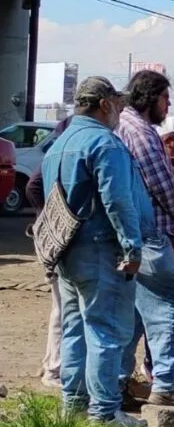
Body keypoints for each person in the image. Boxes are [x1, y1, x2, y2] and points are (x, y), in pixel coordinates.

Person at [43, 76, 144, 427]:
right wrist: (132, 247)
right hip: (102, 249)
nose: (120, 111)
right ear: (105, 104)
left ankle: (72, 408)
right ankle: (103, 413)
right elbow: (118, 200)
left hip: (67, 251)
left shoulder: (59, 144)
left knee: (74, 328)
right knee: (106, 330)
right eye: (118, 104)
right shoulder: (106, 143)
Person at [115, 69, 174, 407]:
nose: (167, 105)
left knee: (134, 316)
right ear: (150, 97)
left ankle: (117, 383)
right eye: (165, 99)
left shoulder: (124, 125)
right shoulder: (141, 132)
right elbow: (162, 186)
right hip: (152, 233)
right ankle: (167, 385)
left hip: (133, 234)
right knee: (168, 310)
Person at [27, 115, 74, 389]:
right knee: (62, 307)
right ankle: (53, 370)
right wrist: (50, 219)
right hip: (55, 239)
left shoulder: (59, 152)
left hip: (52, 237)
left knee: (61, 306)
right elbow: (32, 187)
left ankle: (51, 363)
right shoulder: (59, 154)